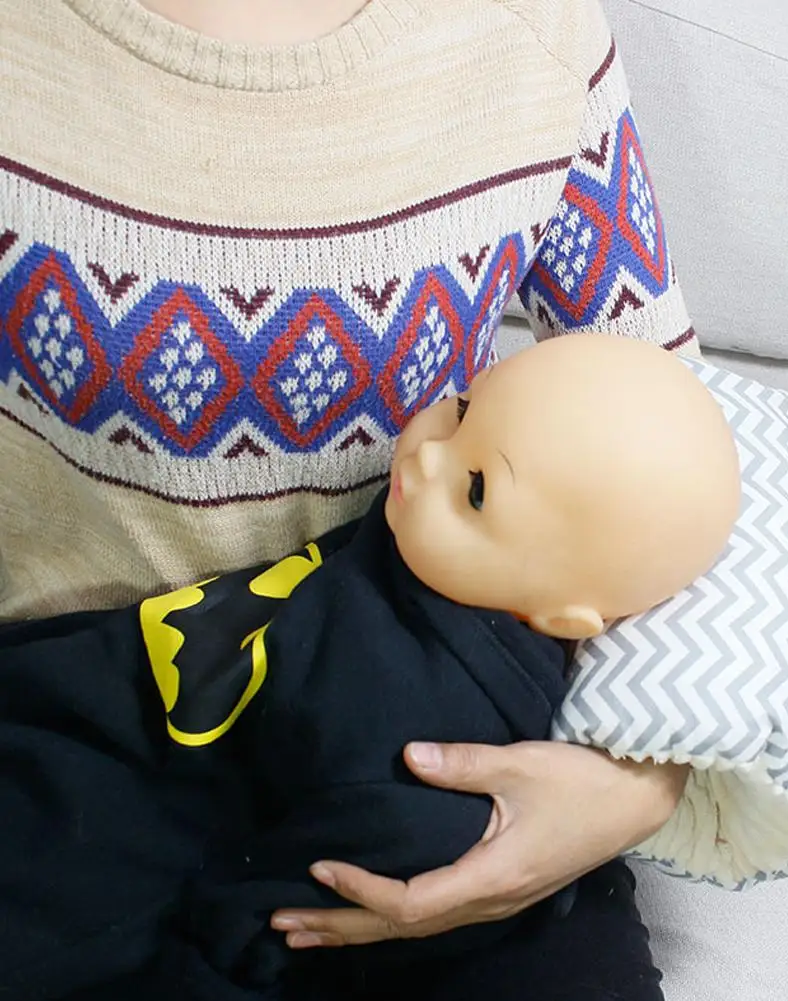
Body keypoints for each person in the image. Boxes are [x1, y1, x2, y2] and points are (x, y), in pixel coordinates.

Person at [0, 1, 700, 997]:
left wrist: (630, 786)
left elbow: (683, 437)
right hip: (72, 732)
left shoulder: (528, 34)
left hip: (428, 745)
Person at [0, 335, 740, 999]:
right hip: (103, 691)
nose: (425, 456)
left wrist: (646, 783)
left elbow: (286, 911)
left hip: (154, 819)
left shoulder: (418, 752)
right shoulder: (440, 554)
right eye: (460, 406)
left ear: (562, 618)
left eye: (477, 487)